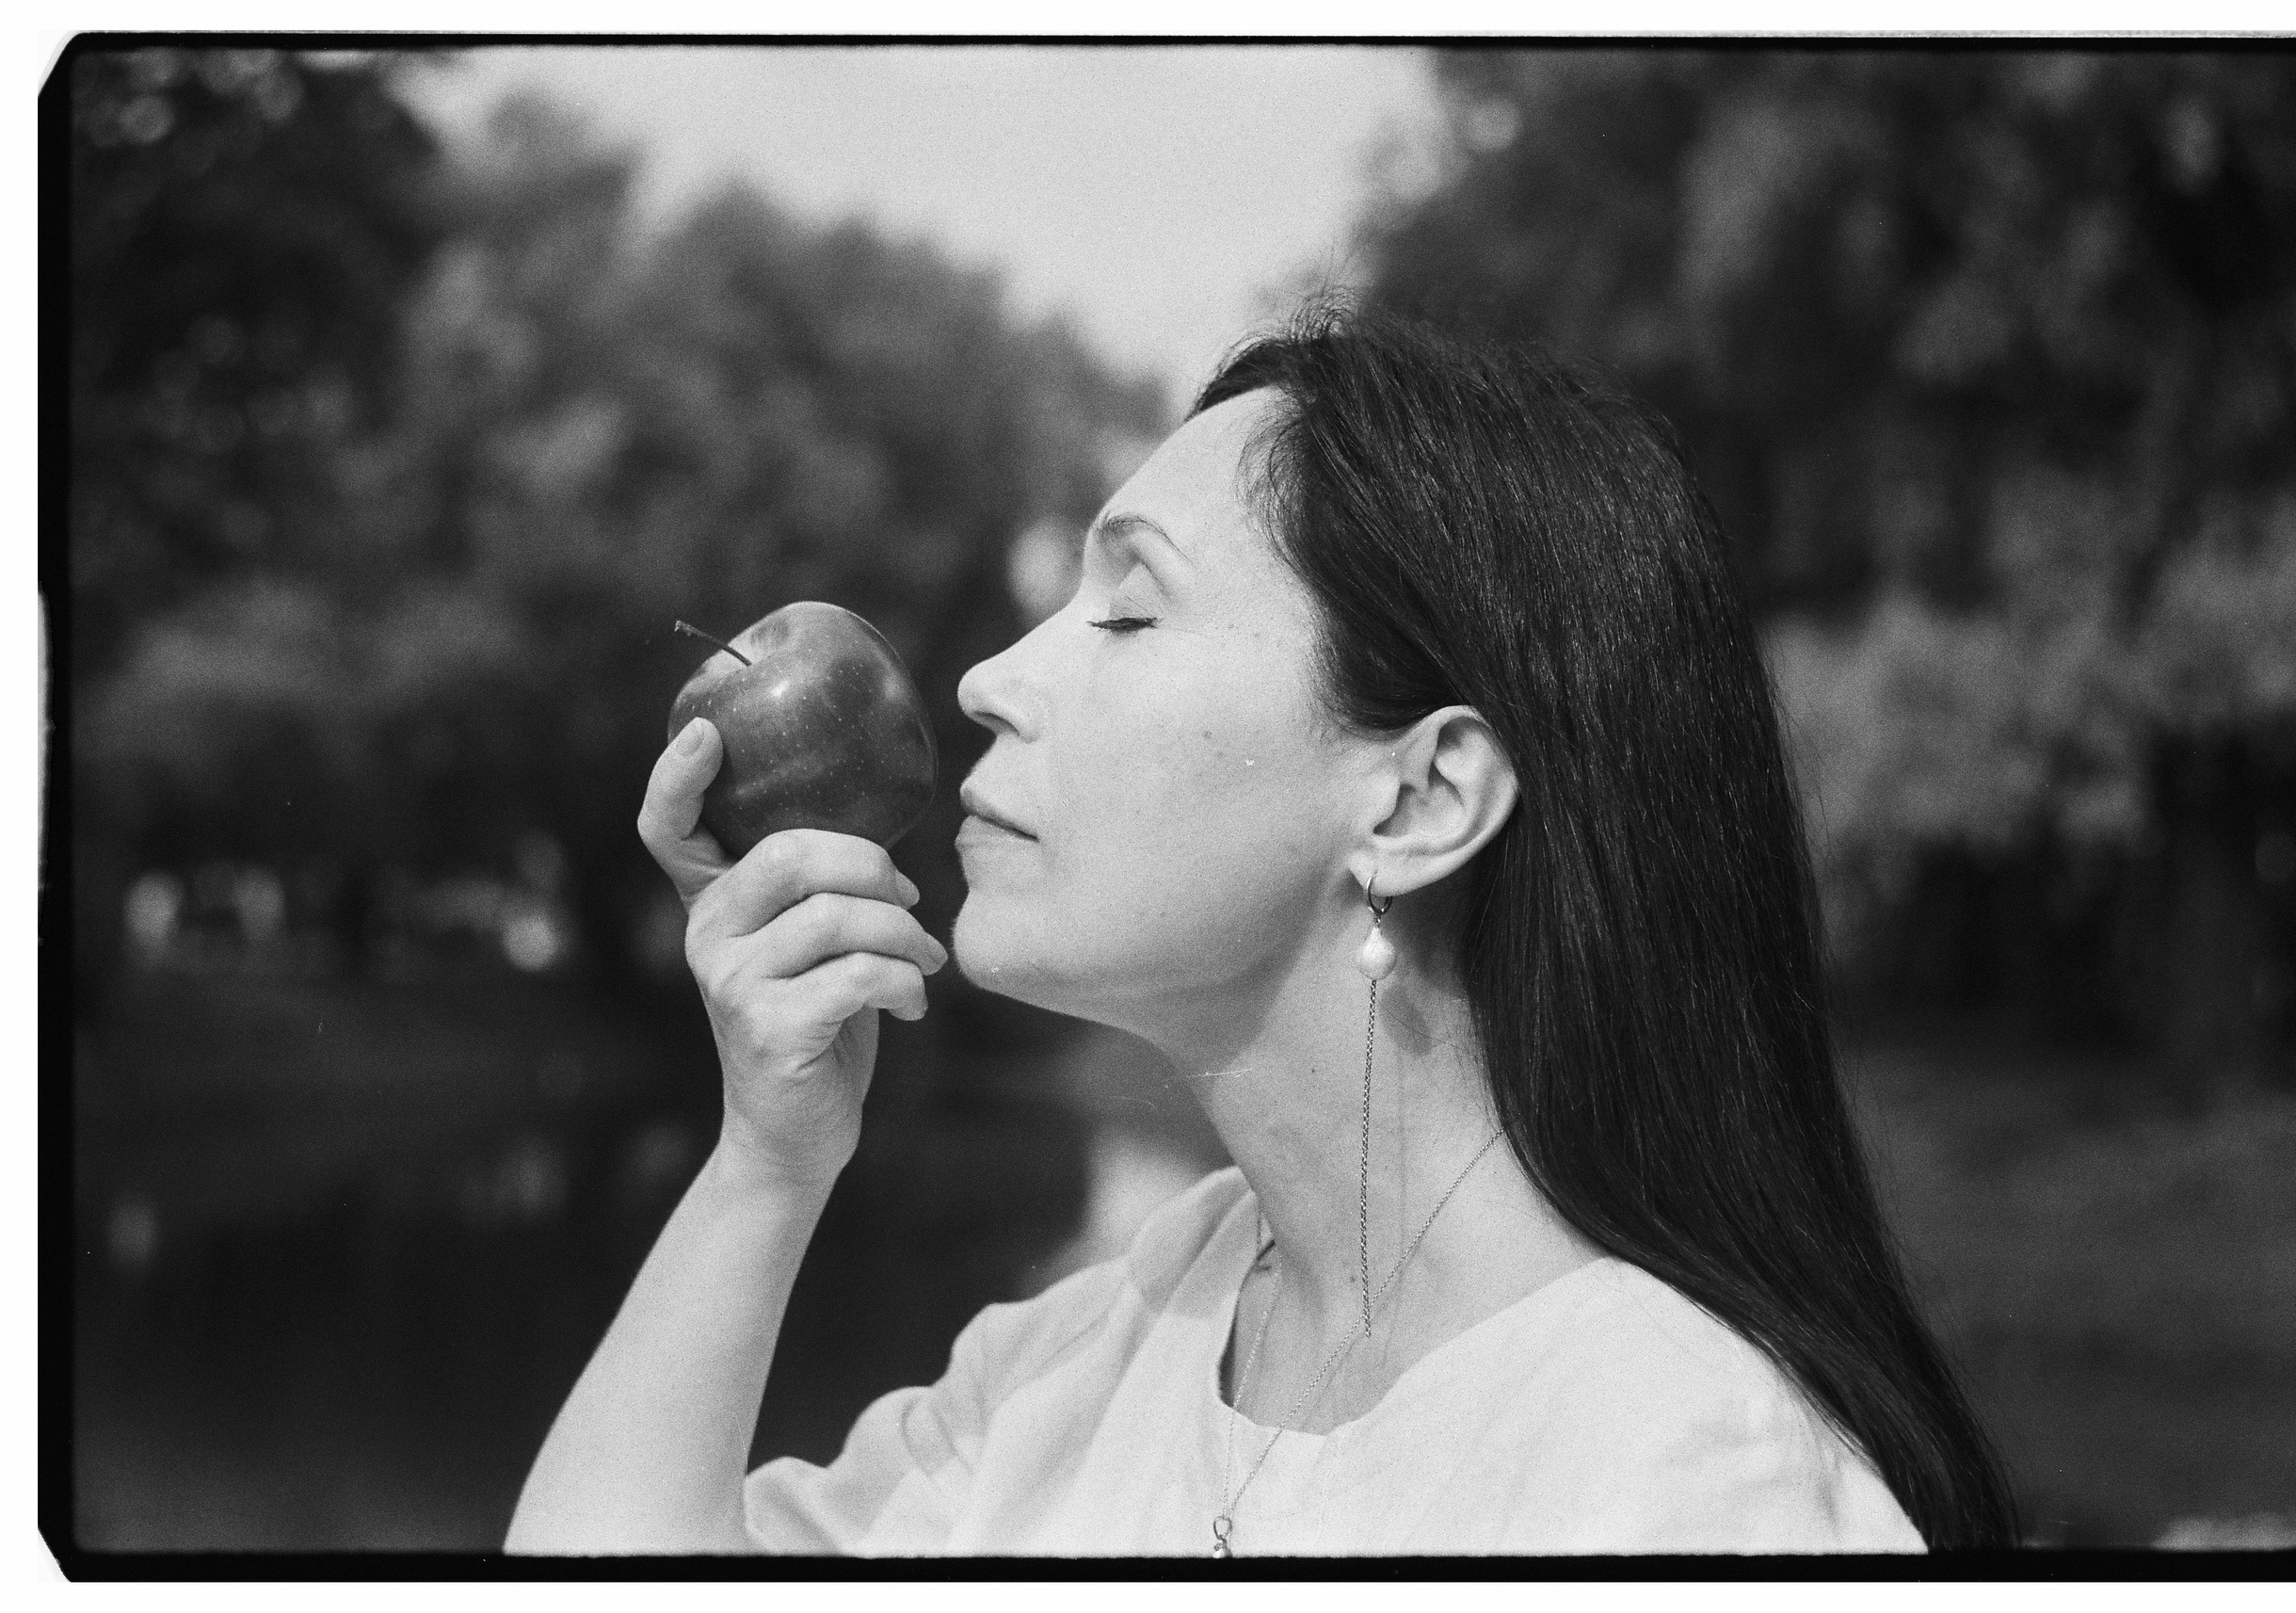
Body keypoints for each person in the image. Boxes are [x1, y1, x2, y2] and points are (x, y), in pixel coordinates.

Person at [505, 306, 2018, 1557]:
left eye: (1127, 610)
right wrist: (765, 1166)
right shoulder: (1099, 1350)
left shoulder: (1683, 1480)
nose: (983, 678)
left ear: (1419, 797)